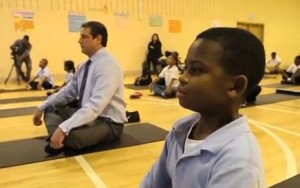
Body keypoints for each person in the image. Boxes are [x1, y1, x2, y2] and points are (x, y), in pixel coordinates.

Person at [141, 28, 266, 188]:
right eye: (185, 68)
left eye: (197, 70)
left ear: (235, 86)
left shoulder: (238, 162)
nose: (183, 77)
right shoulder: (180, 130)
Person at [33, 21, 127, 154]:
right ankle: (61, 137)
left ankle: (62, 137)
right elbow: (68, 92)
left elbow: (95, 106)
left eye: (84, 37)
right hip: (88, 115)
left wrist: (64, 128)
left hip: (108, 123)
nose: (79, 41)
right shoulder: (84, 65)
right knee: (50, 108)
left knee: (71, 137)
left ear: (98, 39)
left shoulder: (109, 65)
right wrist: (42, 105)